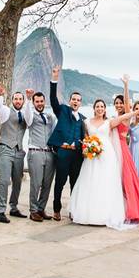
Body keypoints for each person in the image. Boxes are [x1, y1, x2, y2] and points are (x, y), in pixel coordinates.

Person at [69, 99, 136, 229]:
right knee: (90, 181)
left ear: (105, 109)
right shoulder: (86, 122)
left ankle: (105, 215)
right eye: (97, 106)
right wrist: (88, 148)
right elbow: (86, 138)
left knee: (105, 182)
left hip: (107, 155)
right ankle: (88, 214)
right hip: (92, 156)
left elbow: (124, 117)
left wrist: (135, 112)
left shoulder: (109, 122)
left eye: (102, 106)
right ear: (94, 108)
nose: (100, 108)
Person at [114, 76, 139, 222]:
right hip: (128, 150)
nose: (138, 111)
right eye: (136, 109)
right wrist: (126, 86)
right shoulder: (130, 122)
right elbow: (126, 104)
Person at [47, 65, 86, 221]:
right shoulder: (62, 110)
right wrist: (54, 78)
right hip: (63, 152)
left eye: (78, 100)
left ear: (80, 103)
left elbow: (86, 136)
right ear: (70, 101)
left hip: (77, 155)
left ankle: (73, 210)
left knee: (75, 184)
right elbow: (53, 99)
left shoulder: (83, 119)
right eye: (73, 99)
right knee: (60, 183)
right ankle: (56, 209)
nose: (75, 101)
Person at [0, 84, 29, 222]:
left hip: (19, 151)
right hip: (6, 149)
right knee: (4, 180)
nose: (18, 101)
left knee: (17, 181)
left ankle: (13, 208)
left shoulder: (25, 114)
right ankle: (0, 211)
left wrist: (30, 100)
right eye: (16, 99)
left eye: (20, 99)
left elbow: (31, 119)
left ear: (23, 101)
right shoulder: (6, 112)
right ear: (12, 100)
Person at [24, 90, 56, 222]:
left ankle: (41, 209)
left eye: (41, 101)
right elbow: (27, 115)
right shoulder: (31, 116)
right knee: (36, 184)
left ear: (44, 102)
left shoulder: (50, 117)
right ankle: (33, 210)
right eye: (37, 101)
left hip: (49, 153)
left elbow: (55, 132)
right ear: (33, 103)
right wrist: (27, 99)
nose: (39, 103)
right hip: (35, 152)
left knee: (47, 184)